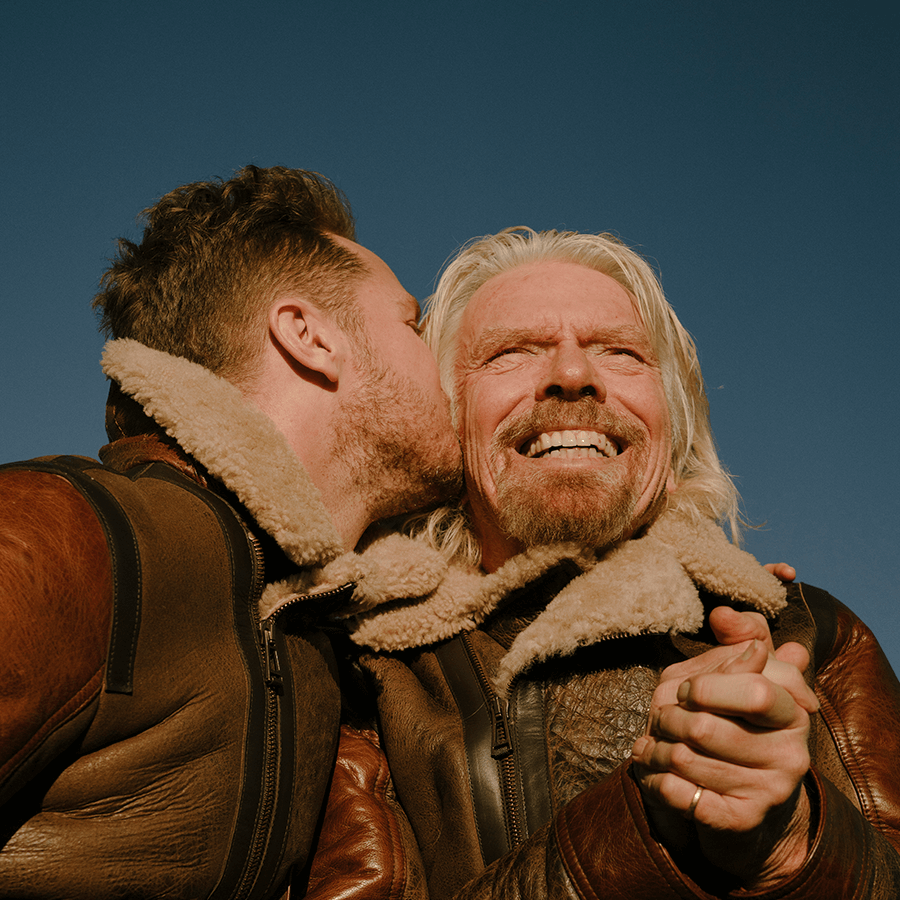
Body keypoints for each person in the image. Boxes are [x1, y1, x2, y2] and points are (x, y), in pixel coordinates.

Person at [307, 227, 900, 898]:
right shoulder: (358, 664)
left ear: (671, 437)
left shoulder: (816, 637)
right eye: (513, 352)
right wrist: (645, 824)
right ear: (448, 428)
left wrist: (793, 844)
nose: (571, 375)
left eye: (619, 352)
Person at [0, 165, 462, 898]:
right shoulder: (71, 534)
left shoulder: (310, 629)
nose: (442, 361)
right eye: (411, 323)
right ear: (308, 335)